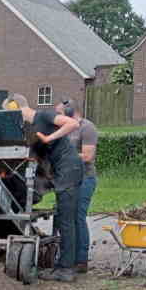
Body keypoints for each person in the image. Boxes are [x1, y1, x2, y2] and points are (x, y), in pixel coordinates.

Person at [2, 93, 81, 282]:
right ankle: (66, 266)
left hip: (69, 169)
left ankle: (66, 269)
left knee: (66, 220)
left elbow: (72, 124)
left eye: (8, 114)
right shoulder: (31, 127)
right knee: (65, 218)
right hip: (61, 171)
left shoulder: (44, 116)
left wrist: (48, 138)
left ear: (15, 108)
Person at [56, 98, 98, 273]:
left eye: (59, 114)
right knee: (65, 218)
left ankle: (81, 260)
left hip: (84, 179)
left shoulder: (87, 128)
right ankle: (67, 257)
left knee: (77, 217)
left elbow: (88, 156)